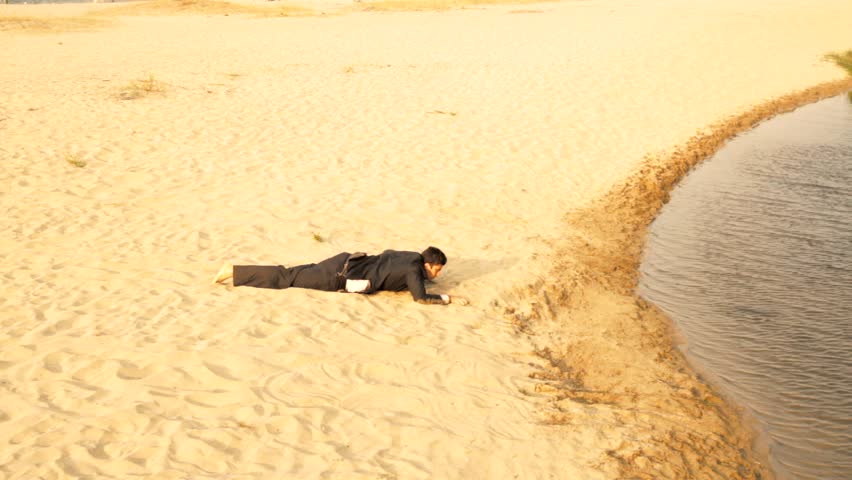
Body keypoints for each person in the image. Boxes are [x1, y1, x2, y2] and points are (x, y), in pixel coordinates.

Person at [213, 246, 469, 305]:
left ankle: (236, 271)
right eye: (436, 269)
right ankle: (233, 272)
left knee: (292, 271)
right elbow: (420, 299)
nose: (436, 273)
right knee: (286, 278)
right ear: (428, 263)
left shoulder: (412, 256)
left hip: (346, 260)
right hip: (337, 277)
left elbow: (389, 253)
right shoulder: (415, 271)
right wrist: (448, 298)